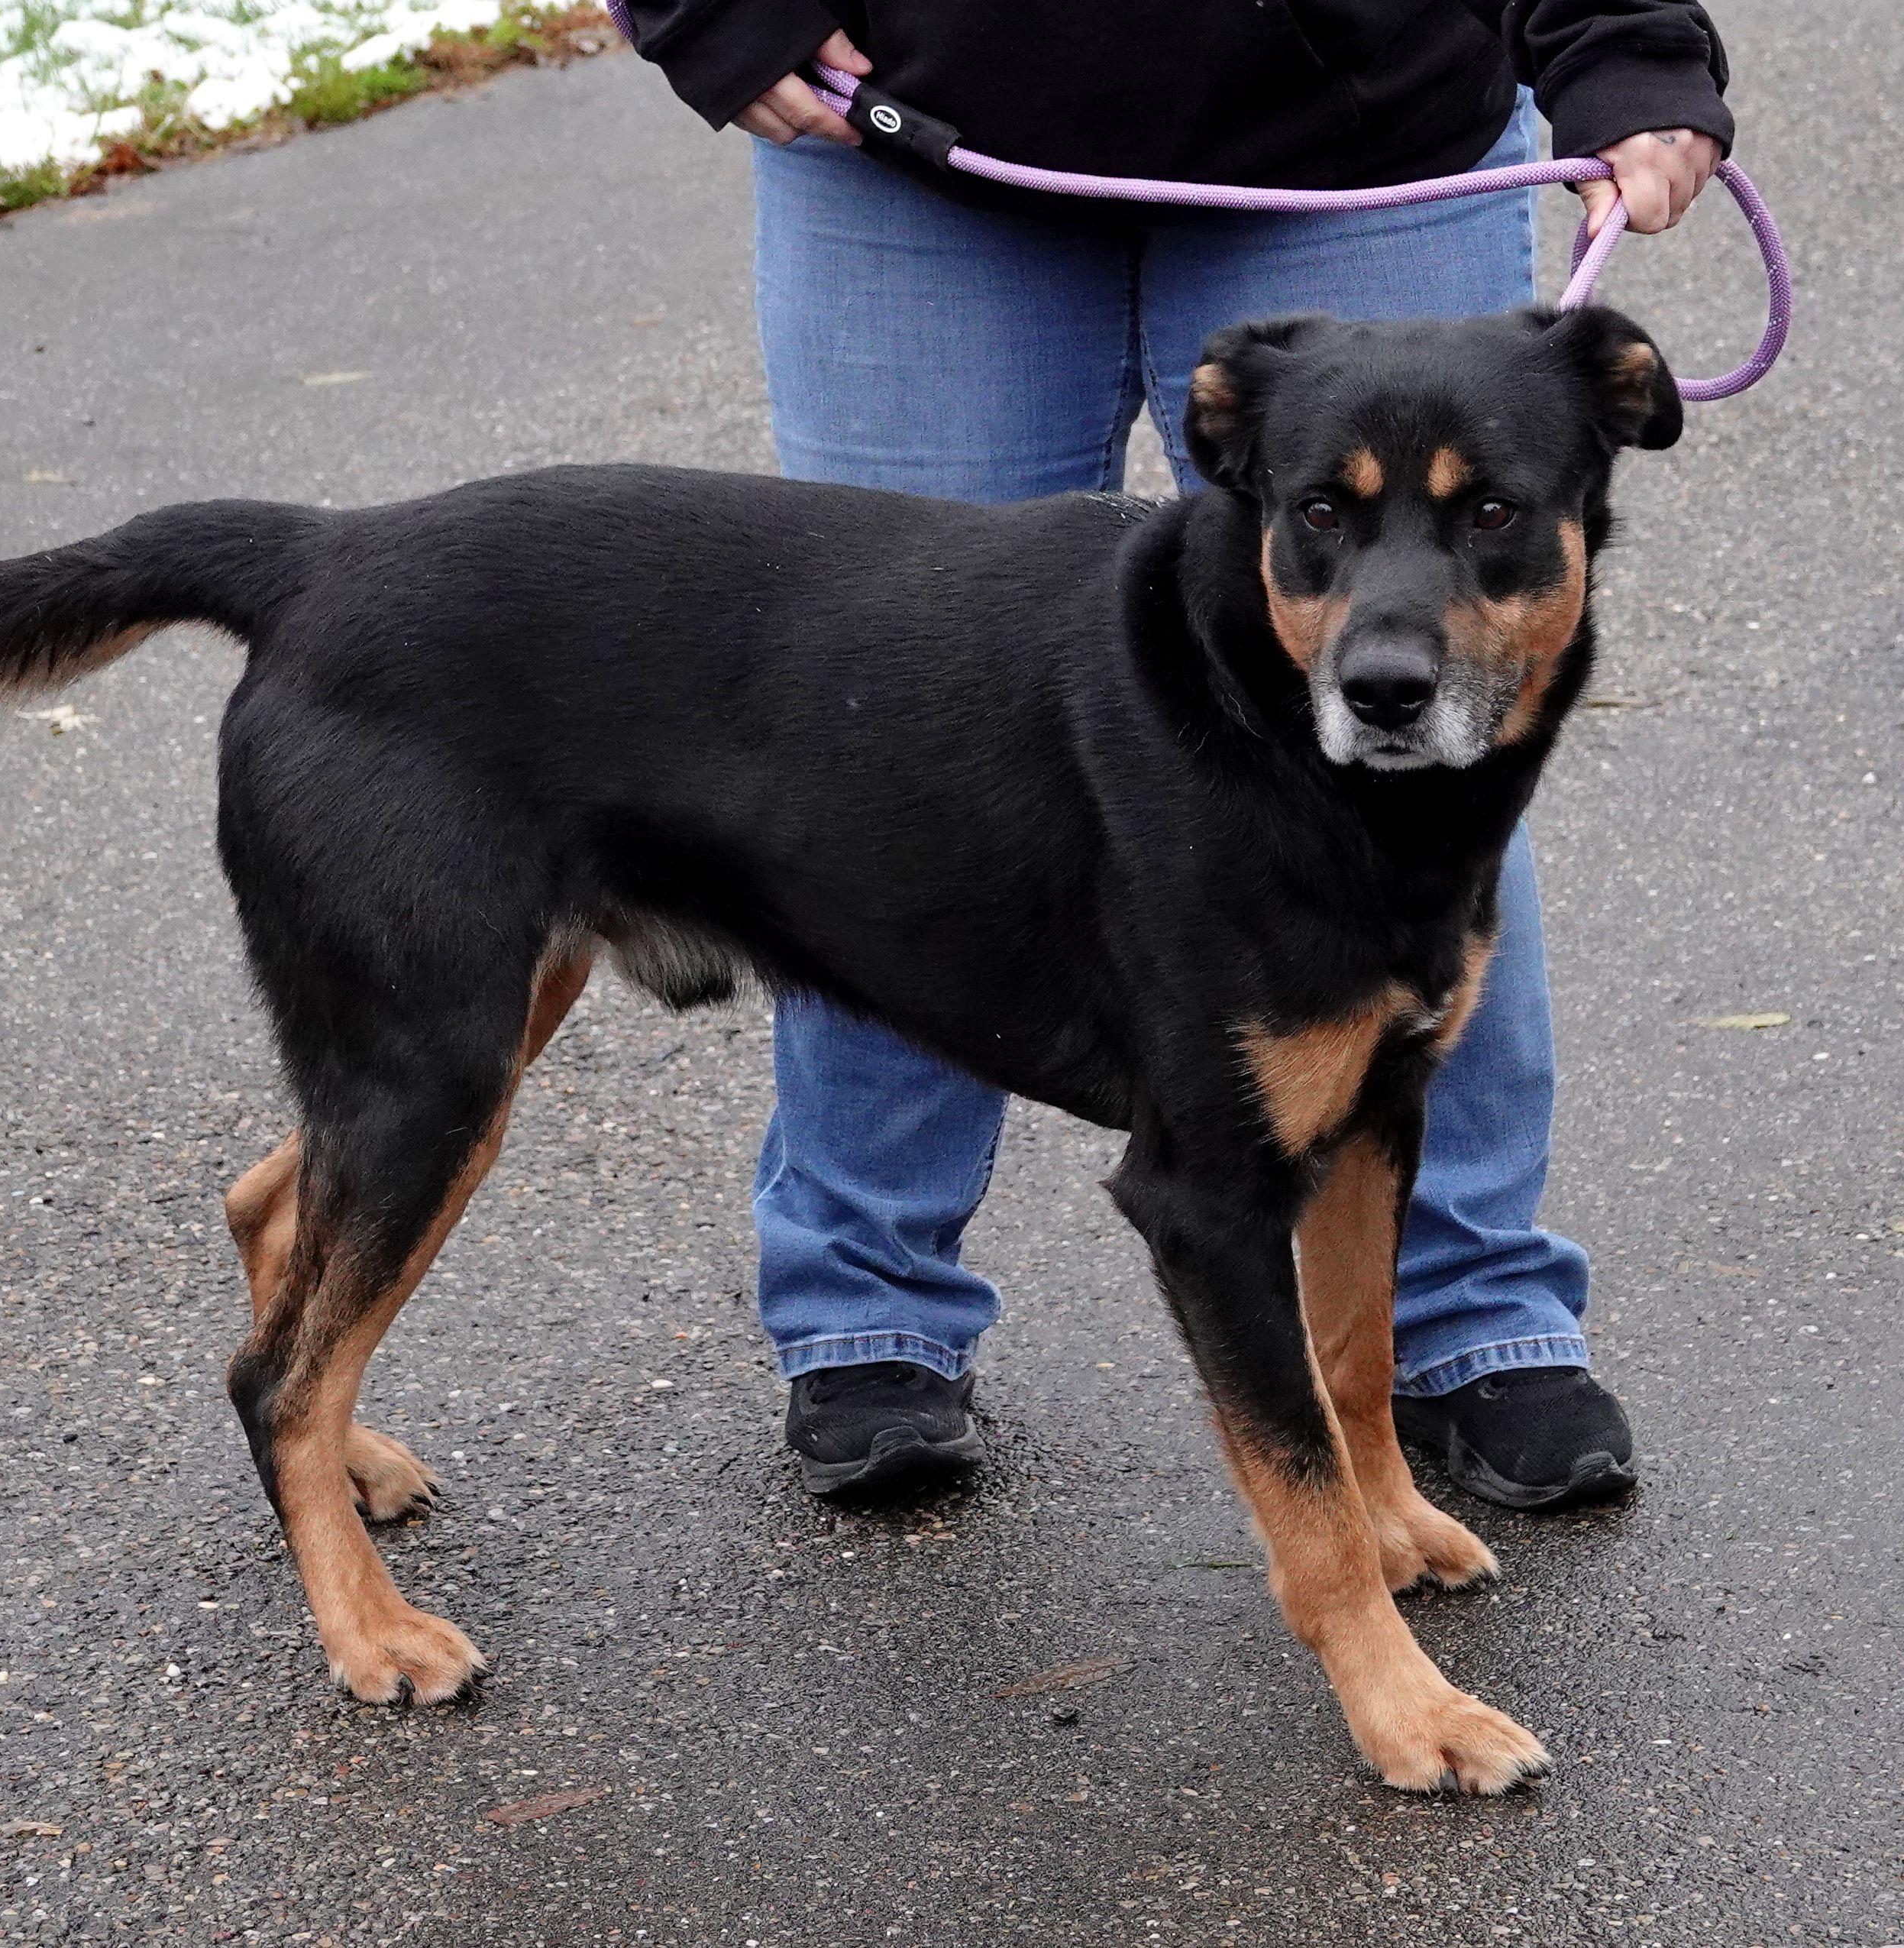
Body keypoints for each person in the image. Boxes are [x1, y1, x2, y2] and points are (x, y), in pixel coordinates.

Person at [616, 0, 1734, 1509]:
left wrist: (1626, 42)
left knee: (1436, 723)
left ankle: (1467, 1310)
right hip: (912, 129)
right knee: (879, 751)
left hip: (1363, 125)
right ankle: (867, 1305)